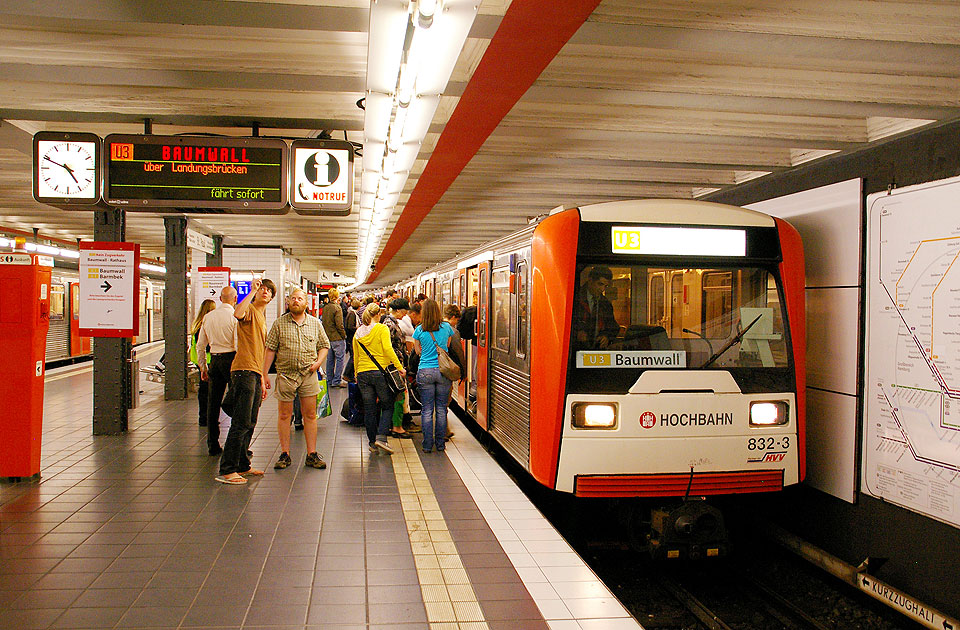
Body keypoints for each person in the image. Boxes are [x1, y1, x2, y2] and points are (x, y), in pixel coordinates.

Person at [216, 277, 276, 485]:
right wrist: (251, 291)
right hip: (242, 370)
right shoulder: (249, 309)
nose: (265, 292)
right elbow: (237, 313)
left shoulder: (261, 315)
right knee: (240, 422)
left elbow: (259, 350)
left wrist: (261, 378)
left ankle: (242, 463)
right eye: (263, 289)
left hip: (253, 372)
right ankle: (227, 469)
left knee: (250, 421)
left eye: (269, 291)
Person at [263, 288, 330, 471]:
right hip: (285, 375)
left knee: (310, 415)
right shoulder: (279, 324)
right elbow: (270, 349)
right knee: (285, 415)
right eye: (293, 298)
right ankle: (285, 453)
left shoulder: (315, 324)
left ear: (306, 303)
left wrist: (318, 363)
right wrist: (264, 374)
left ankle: (312, 454)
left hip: (308, 374)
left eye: (300, 298)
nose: (296, 301)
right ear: (288, 302)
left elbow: (324, 346)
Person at [353, 303, 405, 455]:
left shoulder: (358, 333)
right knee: (387, 405)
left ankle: (372, 442)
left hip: (363, 373)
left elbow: (356, 355)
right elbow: (388, 349)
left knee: (369, 409)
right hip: (379, 372)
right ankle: (381, 437)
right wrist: (399, 367)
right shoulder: (382, 329)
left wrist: (356, 373)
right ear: (377, 315)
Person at [197, 286, 238, 456]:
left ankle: (212, 444)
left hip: (214, 359)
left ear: (220, 299)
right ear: (235, 299)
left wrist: (203, 367)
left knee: (213, 403)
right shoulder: (235, 317)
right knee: (237, 402)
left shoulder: (208, 317)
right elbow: (237, 344)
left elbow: (200, 345)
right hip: (231, 360)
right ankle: (236, 445)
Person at [413, 298, 456, 453]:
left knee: (427, 410)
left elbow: (417, 351)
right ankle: (440, 444)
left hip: (425, 371)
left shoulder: (419, 329)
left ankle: (426, 445)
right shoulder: (446, 327)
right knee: (441, 409)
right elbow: (448, 346)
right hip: (443, 371)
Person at [384, 298, 412, 438]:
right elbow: (389, 347)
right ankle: (397, 427)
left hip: (396, 364)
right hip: (394, 366)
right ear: (399, 310)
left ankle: (396, 425)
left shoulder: (392, 322)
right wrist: (399, 366)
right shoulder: (390, 324)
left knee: (398, 395)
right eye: (405, 311)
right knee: (399, 395)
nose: (406, 314)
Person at [572, 266, 619, 349]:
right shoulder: (574, 299)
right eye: (600, 284)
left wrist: (606, 336)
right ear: (590, 280)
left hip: (597, 350)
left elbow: (613, 326)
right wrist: (576, 333)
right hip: (575, 350)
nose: (602, 289)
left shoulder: (605, 304)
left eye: (606, 286)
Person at [190, 299, 217, 427]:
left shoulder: (197, 324)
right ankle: (205, 417)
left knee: (205, 389)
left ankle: (204, 416)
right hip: (208, 360)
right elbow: (205, 346)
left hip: (198, 360)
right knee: (208, 390)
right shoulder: (204, 325)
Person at [322, 288, 348, 387]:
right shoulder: (337, 308)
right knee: (340, 359)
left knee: (330, 360)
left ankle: (329, 380)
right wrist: (343, 335)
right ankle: (337, 380)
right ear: (337, 296)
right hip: (337, 337)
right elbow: (339, 324)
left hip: (328, 337)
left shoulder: (326, 308)